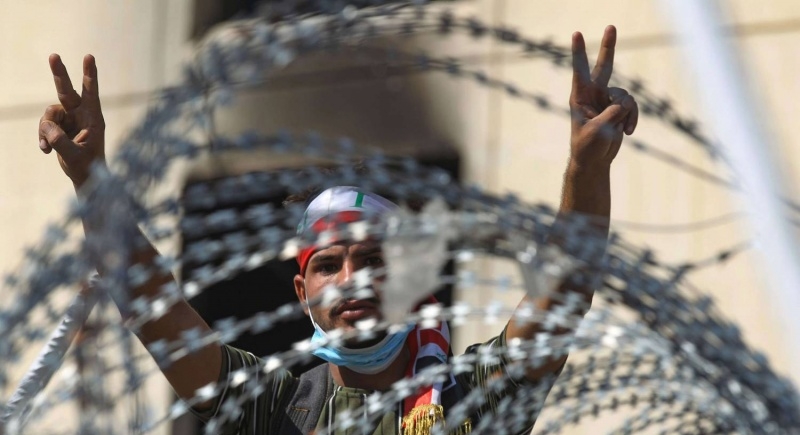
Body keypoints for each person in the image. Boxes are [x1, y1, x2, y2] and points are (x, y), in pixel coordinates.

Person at [37, 24, 638, 435]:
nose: (352, 280)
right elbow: (159, 315)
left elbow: (562, 295)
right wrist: (94, 185)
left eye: (373, 260)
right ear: (302, 293)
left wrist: (586, 171)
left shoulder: (467, 397)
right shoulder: (277, 411)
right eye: (329, 264)